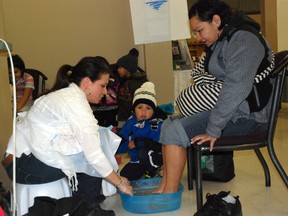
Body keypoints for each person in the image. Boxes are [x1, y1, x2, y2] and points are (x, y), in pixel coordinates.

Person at [155, 0, 274, 198]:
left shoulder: (244, 39)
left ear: (216, 20)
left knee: (176, 132)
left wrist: (213, 129)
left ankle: (169, 195)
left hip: (251, 118)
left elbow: (236, 87)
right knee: (168, 124)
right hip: (236, 111)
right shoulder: (225, 38)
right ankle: (164, 186)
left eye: (200, 30)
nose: (198, 37)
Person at [2, 56, 133, 214]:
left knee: (91, 154)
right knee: (91, 162)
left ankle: (84, 207)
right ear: (86, 82)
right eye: (103, 86)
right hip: (22, 165)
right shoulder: (75, 104)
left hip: (21, 159)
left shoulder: (67, 95)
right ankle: (86, 210)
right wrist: (120, 184)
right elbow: (94, 156)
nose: (105, 92)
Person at [118, 82, 167, 181]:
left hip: (154, 157)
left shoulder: (155, 124)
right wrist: (115, 146)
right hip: (136, 160)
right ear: (134, 109)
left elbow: (158, 146)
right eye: (139, 107)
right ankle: (143, 173)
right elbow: (124, 139)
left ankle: (154, 170)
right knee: (124, 176)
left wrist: (138, 142)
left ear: (153, 111)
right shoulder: (131, 121)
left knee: (144, 154)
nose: (143, 112)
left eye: (148, 108)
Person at [116, 48, 148, 123]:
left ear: (127, 69)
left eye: (120, 67)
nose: (118, 70)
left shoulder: (127, 85)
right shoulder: (144, 81)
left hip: (128, 120)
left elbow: (125, 105)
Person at [91, 63, 121, 132]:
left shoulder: (112, 79)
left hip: (110, 107)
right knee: (98, 126)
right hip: (99, 107)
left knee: (109, 125)